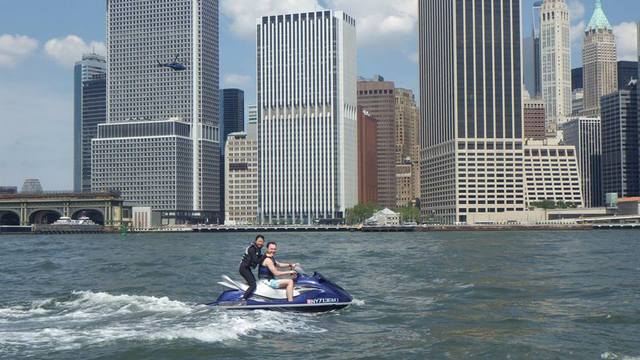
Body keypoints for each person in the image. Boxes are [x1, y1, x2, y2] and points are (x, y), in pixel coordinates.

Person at [238, 235, 265, 301]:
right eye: (259, 241)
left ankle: (247, 294)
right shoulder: (252, 249)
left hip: (246, 268)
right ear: (256, 241)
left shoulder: (257, 249)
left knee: (253, 283)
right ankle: (243, 299)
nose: (260, 243)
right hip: (244, 269)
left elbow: (258, 257)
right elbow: (256, 260)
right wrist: (264, 256)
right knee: (253, 285)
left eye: (262, 242)